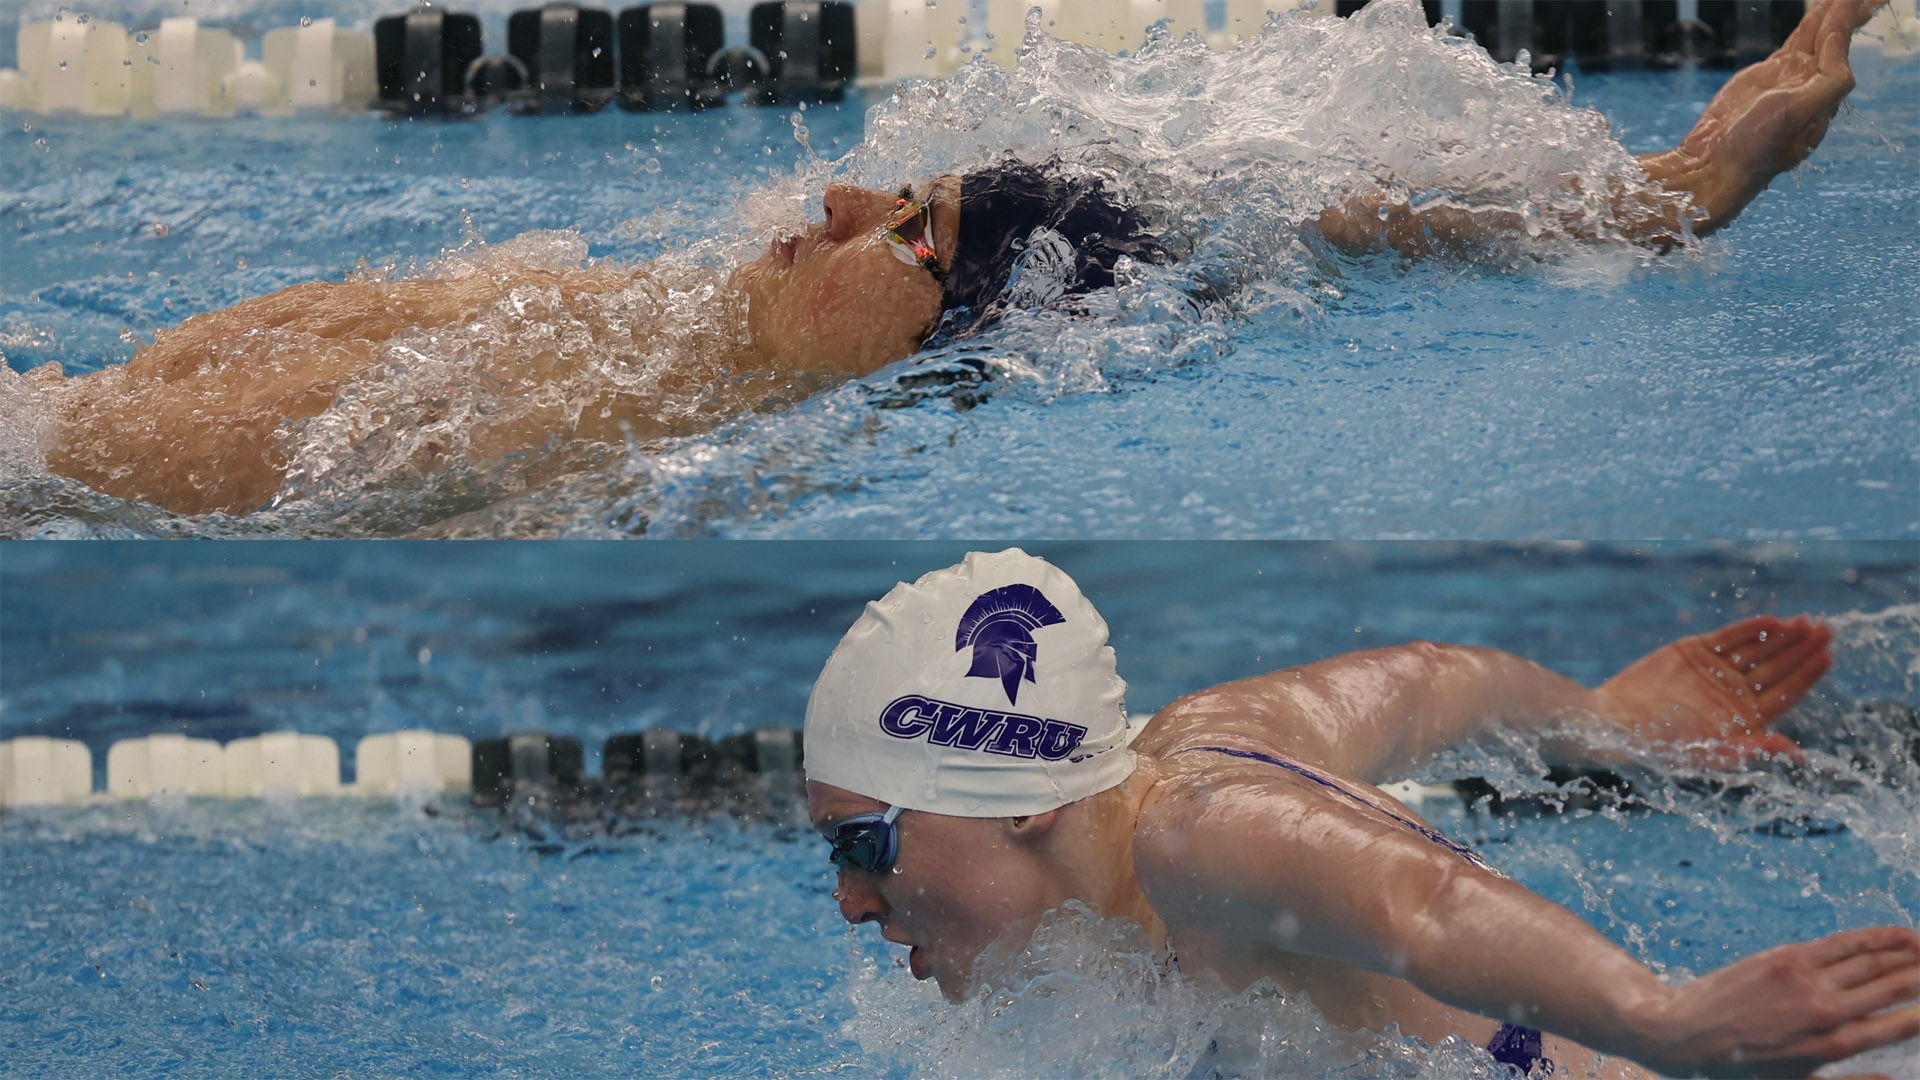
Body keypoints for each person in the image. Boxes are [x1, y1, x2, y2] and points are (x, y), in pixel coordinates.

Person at [15, 0, 1888, 516]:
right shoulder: (646, 316)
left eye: (903, 231)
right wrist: (1688, 173)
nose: (833, 206)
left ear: (943, 328)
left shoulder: (605, 437)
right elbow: (1328, 204)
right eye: (890, 192)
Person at [804, 548, 1920, 1079]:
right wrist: (1604, 715)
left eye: (868, 844)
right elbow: (1432, 680)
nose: (853, 902)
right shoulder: (1208, 737)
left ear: (1022, 804)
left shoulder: (1202, 837)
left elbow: (1424, 906)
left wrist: (1664, 1019)